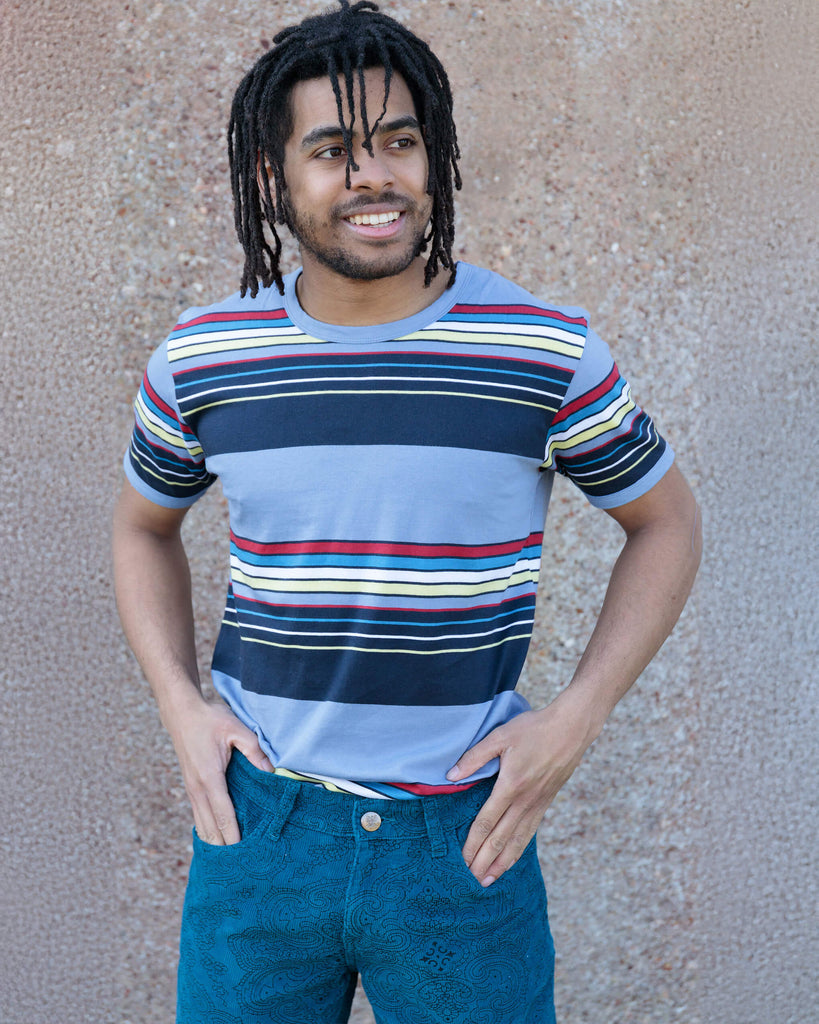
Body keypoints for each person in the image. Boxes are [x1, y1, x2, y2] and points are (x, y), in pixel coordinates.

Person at [112, 2, 702, 1021]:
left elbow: (667, 523)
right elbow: (141, 527)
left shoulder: (541, 351)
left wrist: (576, 716)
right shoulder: (203, 360)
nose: (372, 175)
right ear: (272, 178)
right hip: (261, 838)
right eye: (332, 148)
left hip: (463, 844)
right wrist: (178, 701)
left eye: (399, 141)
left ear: (436, 159)